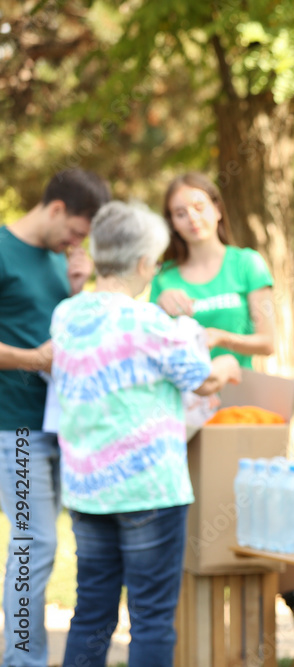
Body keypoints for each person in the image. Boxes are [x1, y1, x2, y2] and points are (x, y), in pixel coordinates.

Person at [49, 201, 242, 666]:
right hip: (149, 491)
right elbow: (203, 379)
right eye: (155, 262)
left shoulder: (66, 315)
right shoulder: (152, 323)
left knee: (92, 612)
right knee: (152, 617)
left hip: (88, 490)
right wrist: (228, 363)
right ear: (142, 264)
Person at [0, 168, 109, 667]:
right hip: (13, 430)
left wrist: (78, 288)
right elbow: (38, 350)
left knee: (50, 543)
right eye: (77, 232)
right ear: (58, 208)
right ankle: (23, 659)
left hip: (59, 428)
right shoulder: (3, 249)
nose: (76, 243)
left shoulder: (56, 263)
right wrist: (30, 359)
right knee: (34, 544)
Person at [150, 172, 275, 368]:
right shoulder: (163, 276)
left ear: (217, 210)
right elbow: (151, 347)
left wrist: (221, 338)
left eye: (199, 208)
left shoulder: (248, 264)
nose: (192, 218)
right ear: (172, 223)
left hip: (238, 393)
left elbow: (268, 343)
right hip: (185, 395)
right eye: (180, 214)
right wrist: (158, 308)